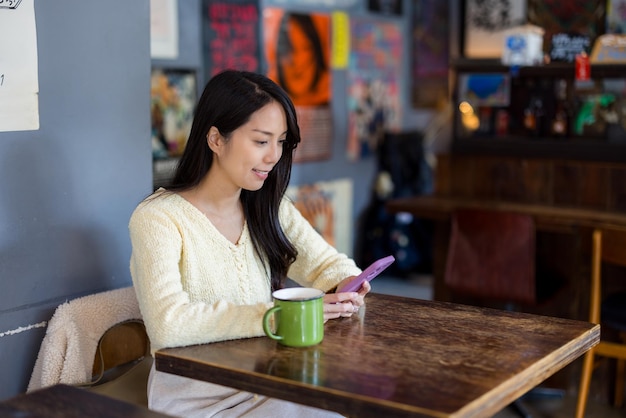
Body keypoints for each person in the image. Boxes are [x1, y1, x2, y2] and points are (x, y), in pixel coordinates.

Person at [129, 69, 370, 418]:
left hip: (268, 385)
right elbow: (168, 325)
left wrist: (347, 284)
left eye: (281, 141)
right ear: (215, 139)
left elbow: (325, 265)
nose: (274, 156)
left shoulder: (269, 207)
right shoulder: (158, 218)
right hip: (197, 402)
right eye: (261, 141)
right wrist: (276, 317)